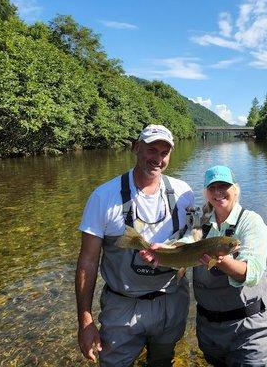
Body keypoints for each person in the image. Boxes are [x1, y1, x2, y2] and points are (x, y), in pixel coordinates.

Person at [75, 124, 195, 367]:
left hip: (171, 302)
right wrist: (85, 321)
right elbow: (87, 261)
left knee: (163, 361)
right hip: (122, 306)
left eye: (165, 153)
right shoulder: (104, 196)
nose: (158, 159)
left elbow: (194, 236)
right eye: (152, 150)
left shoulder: (184, 193)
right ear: (136, 148)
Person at [142, 165, 267, 366]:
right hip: (209, 331)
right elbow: (187, 245)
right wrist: (163, 250)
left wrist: (221, 260)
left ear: (236, 189)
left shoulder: (251, 222)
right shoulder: (201, 224)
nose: (218, 192)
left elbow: (253, 273)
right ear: (206, 192)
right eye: (212, 188)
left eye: (224, 186)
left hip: (250, 330)